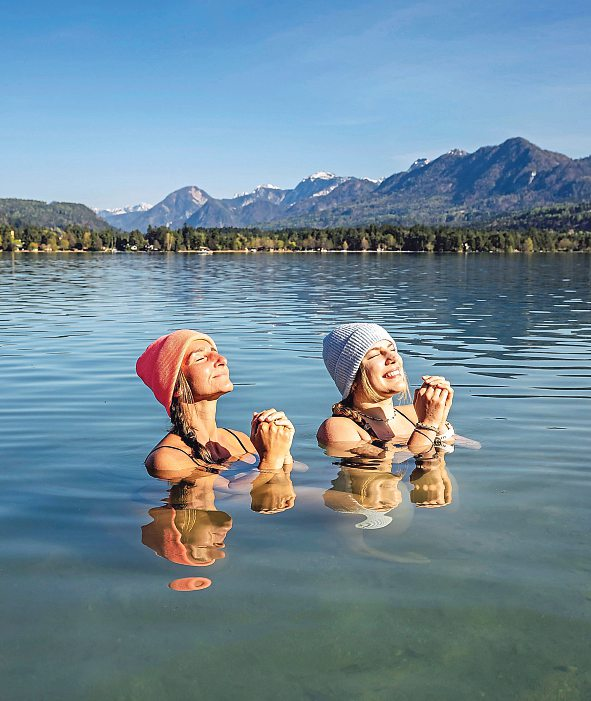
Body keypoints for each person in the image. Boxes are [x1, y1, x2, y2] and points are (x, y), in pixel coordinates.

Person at [136, 329, 294, 479]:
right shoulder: (168, 459)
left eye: (215, 353)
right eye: (201, 358)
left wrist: (282, 446)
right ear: (176, 387)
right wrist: (270, 461)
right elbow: (229, 498)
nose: (222, 360)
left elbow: (302, 471)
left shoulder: (239, 439)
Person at [317, 323, 454, 455]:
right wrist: (427, 425)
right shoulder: (339, 428)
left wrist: (439, 423)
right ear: (352, 380)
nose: (393, 357)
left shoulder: (415, 413)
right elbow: (385, 476)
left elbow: (473, 449)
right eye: (375, 355)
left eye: (392, 349)